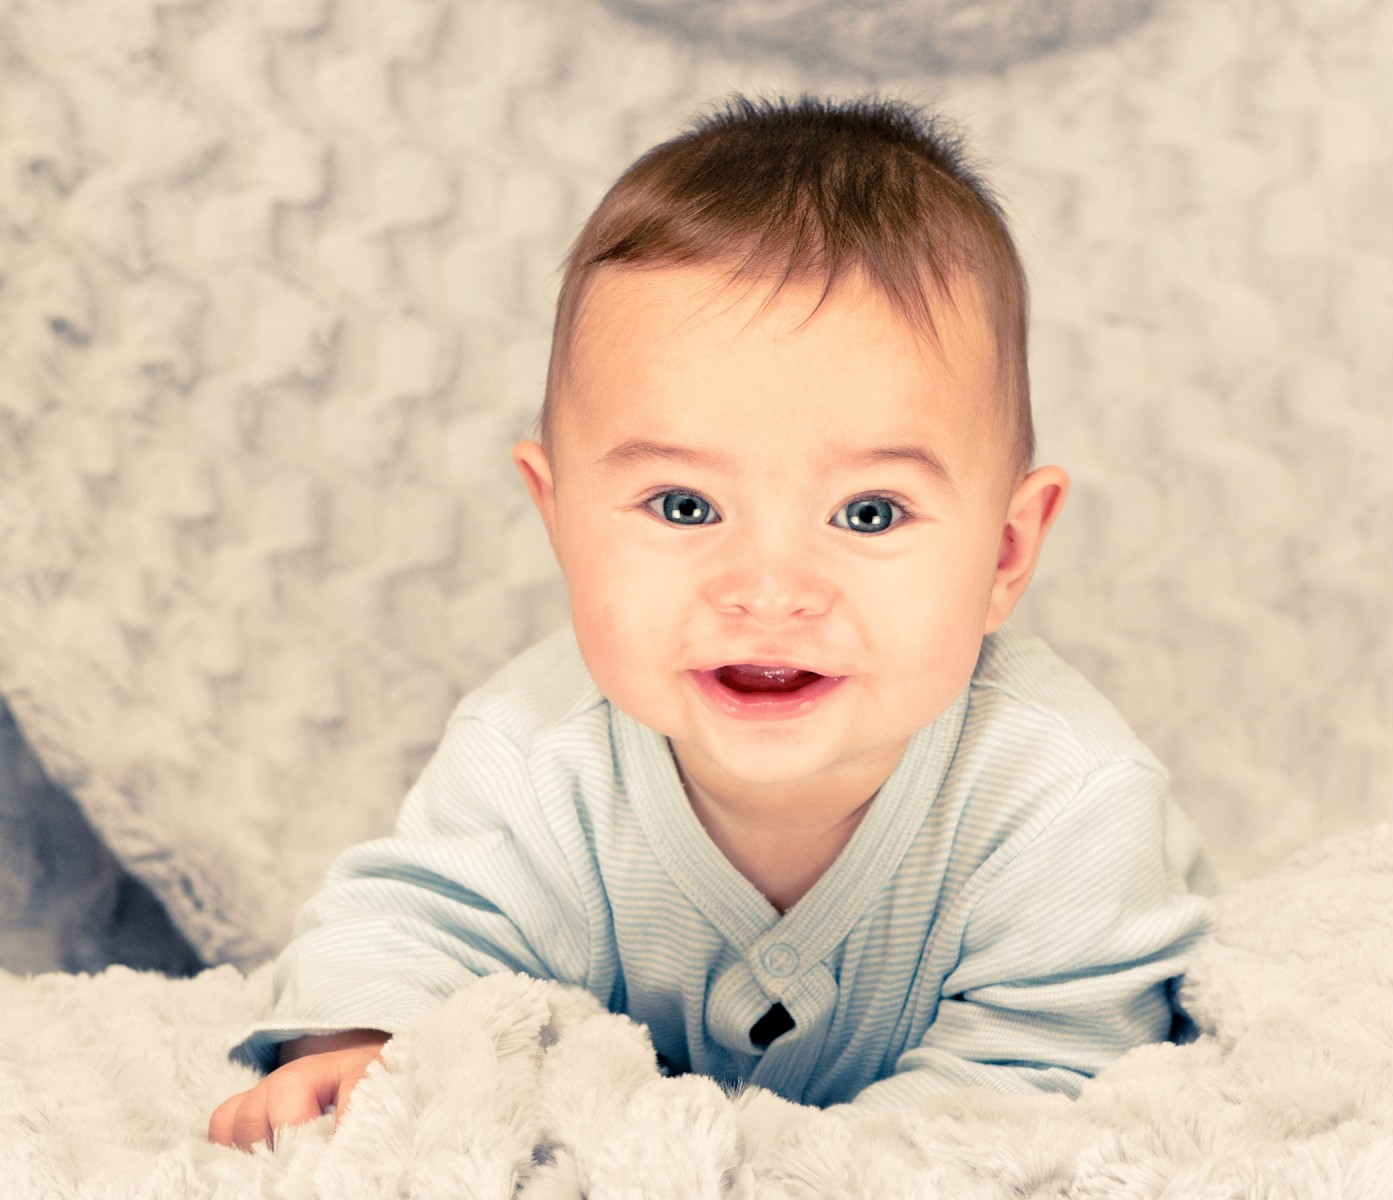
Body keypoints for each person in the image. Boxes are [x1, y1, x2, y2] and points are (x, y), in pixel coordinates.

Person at [208, 94, 1216, 1152]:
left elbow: (1037, 1083)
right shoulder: (535, 755)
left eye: (869, 513)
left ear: (1005, 553)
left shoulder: (1062, 800)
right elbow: (407, 928)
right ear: (557, 516)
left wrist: (796, 1172)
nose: (769, 590)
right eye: (685, 506)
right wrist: (368, 1045)